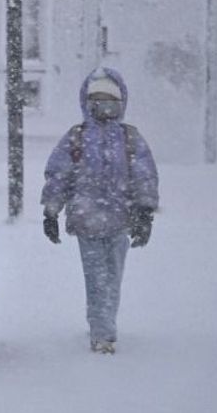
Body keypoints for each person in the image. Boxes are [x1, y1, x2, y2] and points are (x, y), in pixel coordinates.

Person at [40, 68, 160, 355]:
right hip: (87, 221)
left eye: (110, 100)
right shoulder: (77, 137)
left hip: (120, 220)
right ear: (87, 101)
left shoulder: (130, 138)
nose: (104, 105)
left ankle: (104, 322)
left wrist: (144, 212)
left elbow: (144, 175)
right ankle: (102, 333)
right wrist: (51, 211)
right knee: (96, 278)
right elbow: (59, 175)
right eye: (97, 99)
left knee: (113, 276)